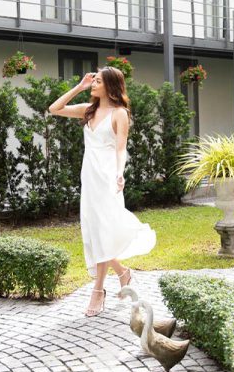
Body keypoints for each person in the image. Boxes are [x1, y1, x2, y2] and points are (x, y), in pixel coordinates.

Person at [49, 67, 156, 317]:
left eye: (97, 81)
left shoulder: (119, 114)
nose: (94, 83)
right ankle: (122, 272)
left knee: (105, 231)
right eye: (93, 80)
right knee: (97, 232)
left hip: (108, 177)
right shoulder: (88, 110)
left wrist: (120, 173)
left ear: (110, 85)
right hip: (90, 177)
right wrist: (80, 87)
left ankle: (98, 291)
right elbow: (54, 108)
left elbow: (121, 149)